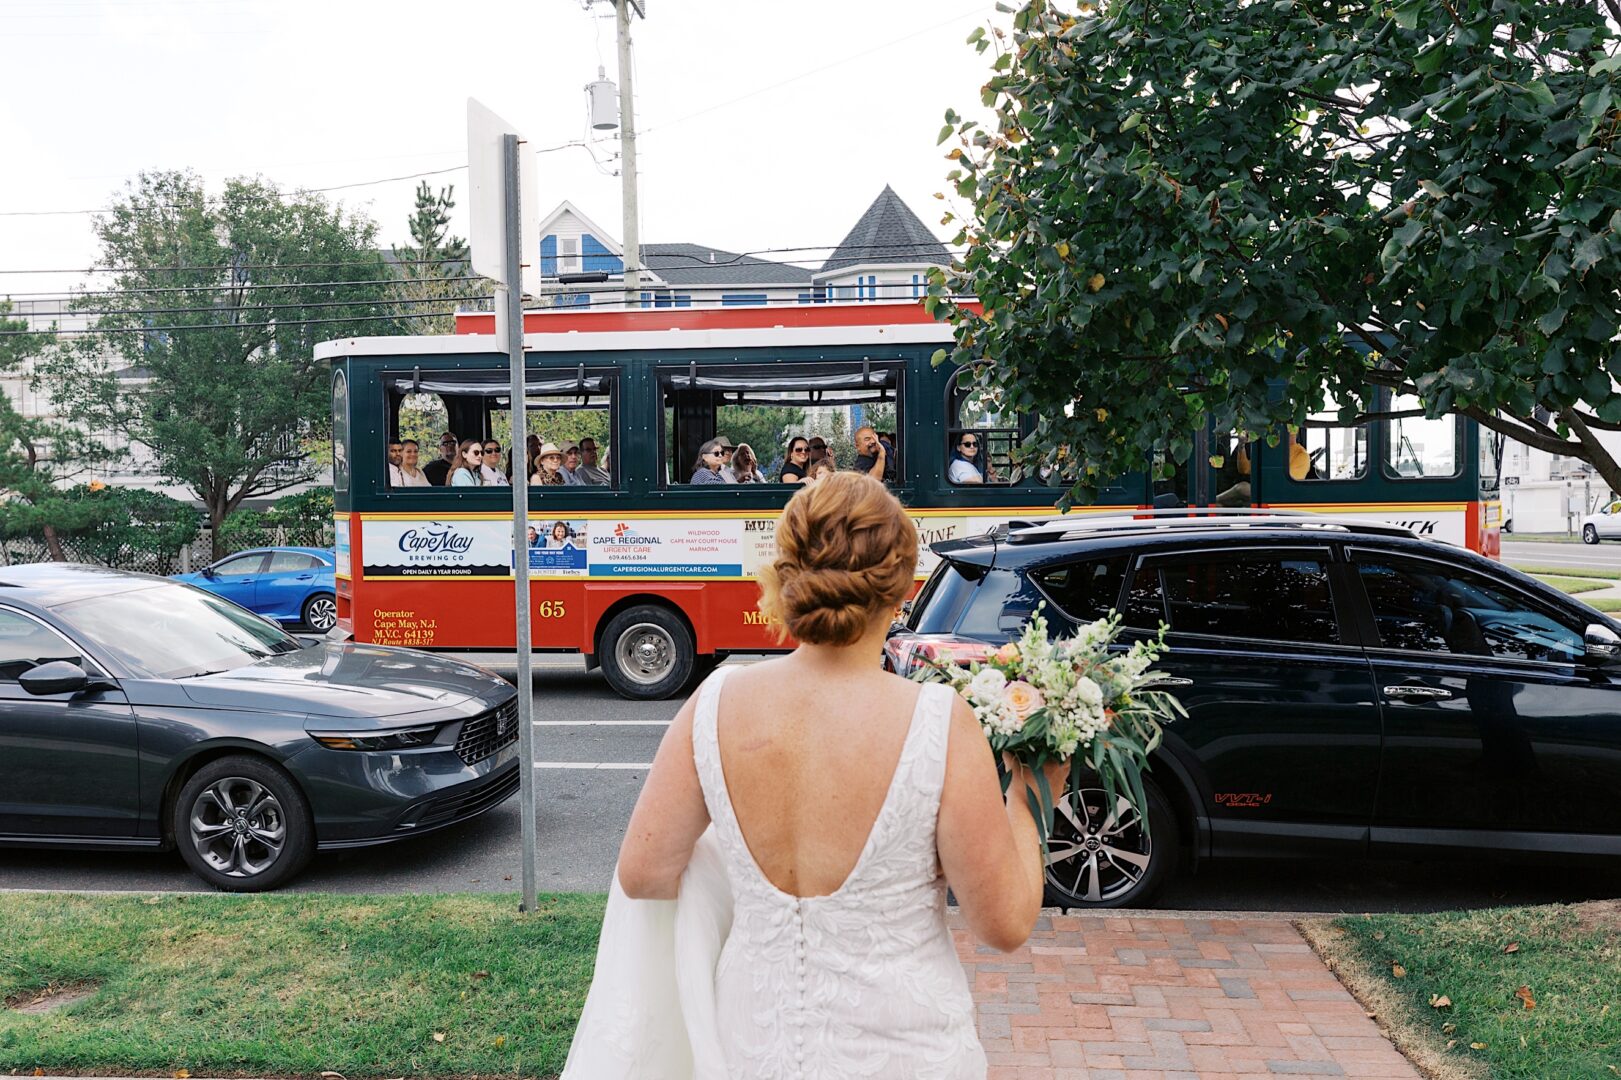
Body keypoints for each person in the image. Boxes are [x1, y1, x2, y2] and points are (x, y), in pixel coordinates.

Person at [602, 473, 1065, 1077]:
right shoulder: (936, 722)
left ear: (786, 577)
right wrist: (1030, 799)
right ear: (901, 587)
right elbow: (1003, 924)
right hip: (904, 1052)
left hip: (752, 1044)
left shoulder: (713, 706)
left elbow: (644, 875)